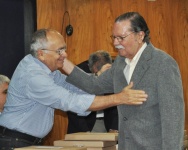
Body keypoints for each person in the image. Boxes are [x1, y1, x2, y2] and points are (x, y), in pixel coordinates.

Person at [0, 28, 148, 149]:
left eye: (64, 49)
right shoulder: (33, 77)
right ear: (41, 54)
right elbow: (71, 101)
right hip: (13, 142)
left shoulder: (47, 69)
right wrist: (119, 98)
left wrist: (99, 81)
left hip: (24, 141)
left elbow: (76, 87)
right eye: (59, 51)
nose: (65, 55)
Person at [62, 12, 185, 150]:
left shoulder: (163, 63)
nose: (115, 43)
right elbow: (94, 85)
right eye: (114, 37)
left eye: (121, 38)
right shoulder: (120, 63)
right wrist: (62, 62)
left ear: (140, 36)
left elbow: (173, 118)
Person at [67, 50, 118, 134]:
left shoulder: (116, 70)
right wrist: (84, 131)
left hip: (108, 121)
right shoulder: (78, 72)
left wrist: (114, 128)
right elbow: (73, 106)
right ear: (92, 67)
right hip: (84, 123)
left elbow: (119, 101)